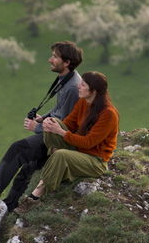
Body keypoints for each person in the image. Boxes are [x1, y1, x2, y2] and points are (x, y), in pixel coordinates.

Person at [0, 41, 83, 211]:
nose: (50, 59)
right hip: (56, 134)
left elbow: (67, 123)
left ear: (67, 62)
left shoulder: (73, 87)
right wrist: (42, 119)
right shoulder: (66, 79)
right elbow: (58, 110)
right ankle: (9, 206)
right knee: (29, 167)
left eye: (54, 56)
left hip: (62, 140)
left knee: (18, 149)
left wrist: (37, 128)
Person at [23, 71, 118, 203]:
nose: (79, 86)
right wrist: (47, 122)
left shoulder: (109, 114)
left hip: (95, 161)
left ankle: (37, 194)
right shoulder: (83, 102)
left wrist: (61, 132)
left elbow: (88, 143)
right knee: (52, 123)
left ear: (94, 90)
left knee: (60, 154)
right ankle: (58, 166)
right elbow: (68, 123)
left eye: (83, 85)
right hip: (78, 149)